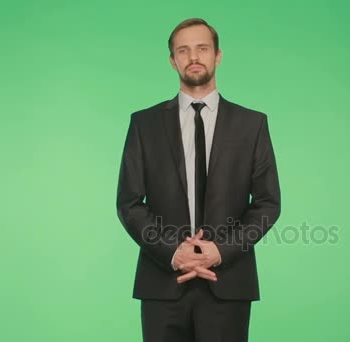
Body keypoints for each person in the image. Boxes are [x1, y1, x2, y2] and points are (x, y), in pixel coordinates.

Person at [116, 17, 281, 342]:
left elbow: (267, 204)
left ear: (217, 55)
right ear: (172, 59)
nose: (193, 57)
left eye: (202, 48)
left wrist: (221, 250)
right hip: (163, 284)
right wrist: (172, 252)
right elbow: (129, 202)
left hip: (228, 283)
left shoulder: (252, 125)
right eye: (184, 50)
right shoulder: (143, 124)